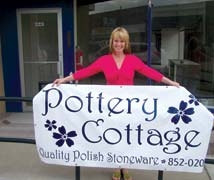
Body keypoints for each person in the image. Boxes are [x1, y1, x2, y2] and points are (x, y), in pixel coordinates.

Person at [53, 27, 180, 180]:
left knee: (127, 135)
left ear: (126, 44)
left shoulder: (133, 60)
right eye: (116, 41)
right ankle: (116, 166)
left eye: (122, 41)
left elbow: (150, 72)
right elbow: (85, 72)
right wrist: (64, 80)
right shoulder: (104, 60)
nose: (118, 44)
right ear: (111, 42)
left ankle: (125, 167)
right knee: (114, 136)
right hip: (110, 107)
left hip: (129, 107)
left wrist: (170, 82)